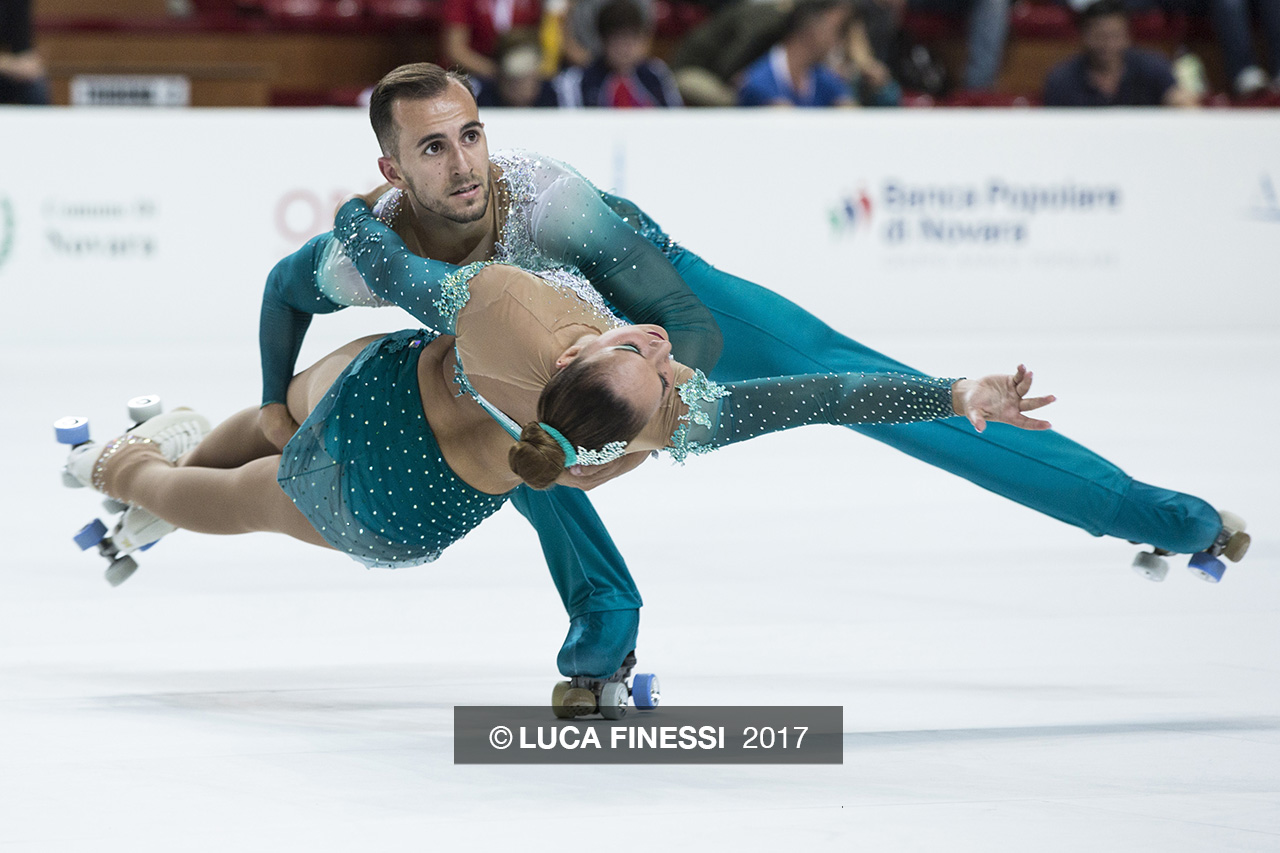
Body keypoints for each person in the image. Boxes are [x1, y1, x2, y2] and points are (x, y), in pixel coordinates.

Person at [258, 62, 1244, 686]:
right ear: (392, 170)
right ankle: (604, 611)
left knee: (869, 389)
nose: (465, 164)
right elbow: (281, 289)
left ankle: (1154, 513)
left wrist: (644, 423)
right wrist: (271, 396)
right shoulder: (368, 251)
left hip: (674, 314)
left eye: (471, 132)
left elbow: (676, 316)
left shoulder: (548, 197)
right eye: (432, 148)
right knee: (508, 412)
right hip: (547, 350)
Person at [1043, 0, 1199, 107]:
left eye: (1114, 35)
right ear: (1083, 36)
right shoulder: (1061, 79)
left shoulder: (1153, 67)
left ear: (1127, 36)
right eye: (1099, 36)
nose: (1107, 44)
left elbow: (1182, 102)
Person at [553, 0, 683, 107]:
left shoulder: (656, 75)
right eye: (618, 41)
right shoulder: (579, 81)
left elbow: (675, 118)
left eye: (631, 41)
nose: (625, 49)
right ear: (604, 42)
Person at [737, 0, 858, 106]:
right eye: (839, 30)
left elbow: (851, 112)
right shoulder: (758, 82)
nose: (838, 42)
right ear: (813, 29)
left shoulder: (824, 79)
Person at [0, 0, 49, 105]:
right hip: (5, 65)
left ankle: (41, 121)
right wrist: (7, 64)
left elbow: (24, 52)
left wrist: (27, 64)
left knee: (35, 84)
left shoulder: (15, 3)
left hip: (5, 72)